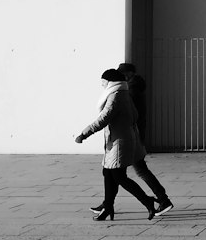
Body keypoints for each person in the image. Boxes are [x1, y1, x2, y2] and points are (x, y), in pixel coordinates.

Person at [74, 68, 173, 220]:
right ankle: (107, 207)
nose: (101, 85)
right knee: (108, 174)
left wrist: (84, 133)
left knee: (119, 177)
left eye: (103, 82)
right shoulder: (123, 93)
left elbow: (104, 119)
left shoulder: (116, 96)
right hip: (119, 140)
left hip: (119, 143)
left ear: (110, 82)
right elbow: (134, 115)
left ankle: (148, 202)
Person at [117, 61, 147, 143]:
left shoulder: (133, 87)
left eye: (123, 73)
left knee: (135, 141)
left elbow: (129, 103)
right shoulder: (135, 84)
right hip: (137, 118)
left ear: (129, 73)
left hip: (134, 119)